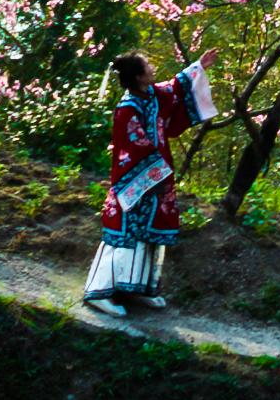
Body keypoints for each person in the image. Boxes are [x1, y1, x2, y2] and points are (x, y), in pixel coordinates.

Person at [90, 50, 209, 314]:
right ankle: (99, 291)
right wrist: (154, 174)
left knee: (150, 233)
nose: (153, 67)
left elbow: (176, 86)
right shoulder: (127, 108)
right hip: (134, 181)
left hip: (157, 177)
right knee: (123, 234)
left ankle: (137, 289)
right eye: (148, 65)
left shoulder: (153, 94)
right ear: (138, 76)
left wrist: (199, 66)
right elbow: (133, 146)